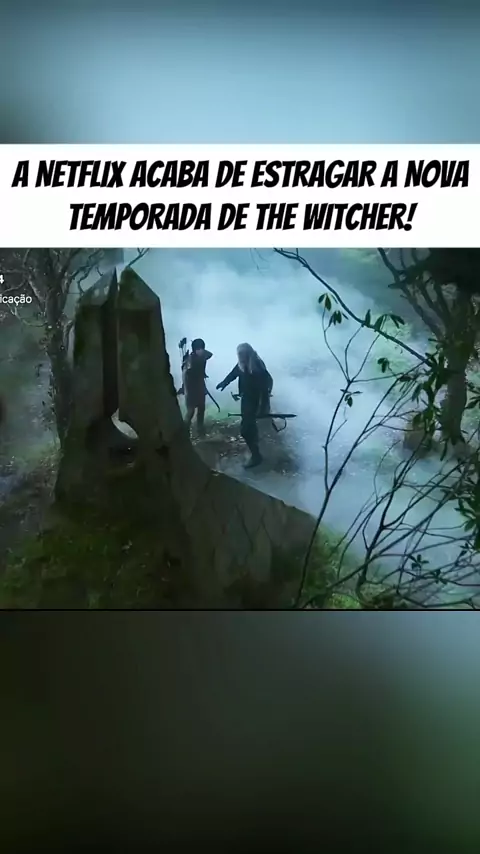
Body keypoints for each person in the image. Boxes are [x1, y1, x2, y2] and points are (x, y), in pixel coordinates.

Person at [216, 342, 273, 468]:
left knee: (245, 430)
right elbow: (234, 373)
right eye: (239, 355)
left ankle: (256, 456)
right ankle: (255, 448)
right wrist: (224, 383)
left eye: (241, 354)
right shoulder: (242, 364)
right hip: (246, 399)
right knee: (249, 427)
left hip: (255, 401)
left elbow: (264, 390)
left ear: (247, 354)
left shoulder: (257, 367)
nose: (239, 357)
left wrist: (262, 408)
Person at [178, 338, 213, 437]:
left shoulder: (201, 358)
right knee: (191, 411)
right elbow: (187, 373)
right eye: (199, 349)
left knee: (201, 409)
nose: (202, 351)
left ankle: (200, 431)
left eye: (202, 348)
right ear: (195, 349)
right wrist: (187, 360)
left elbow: (210, 354)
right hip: (191, 390)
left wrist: (196, 352)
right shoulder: (190, 359)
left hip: (200, 388)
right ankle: (184, 432)